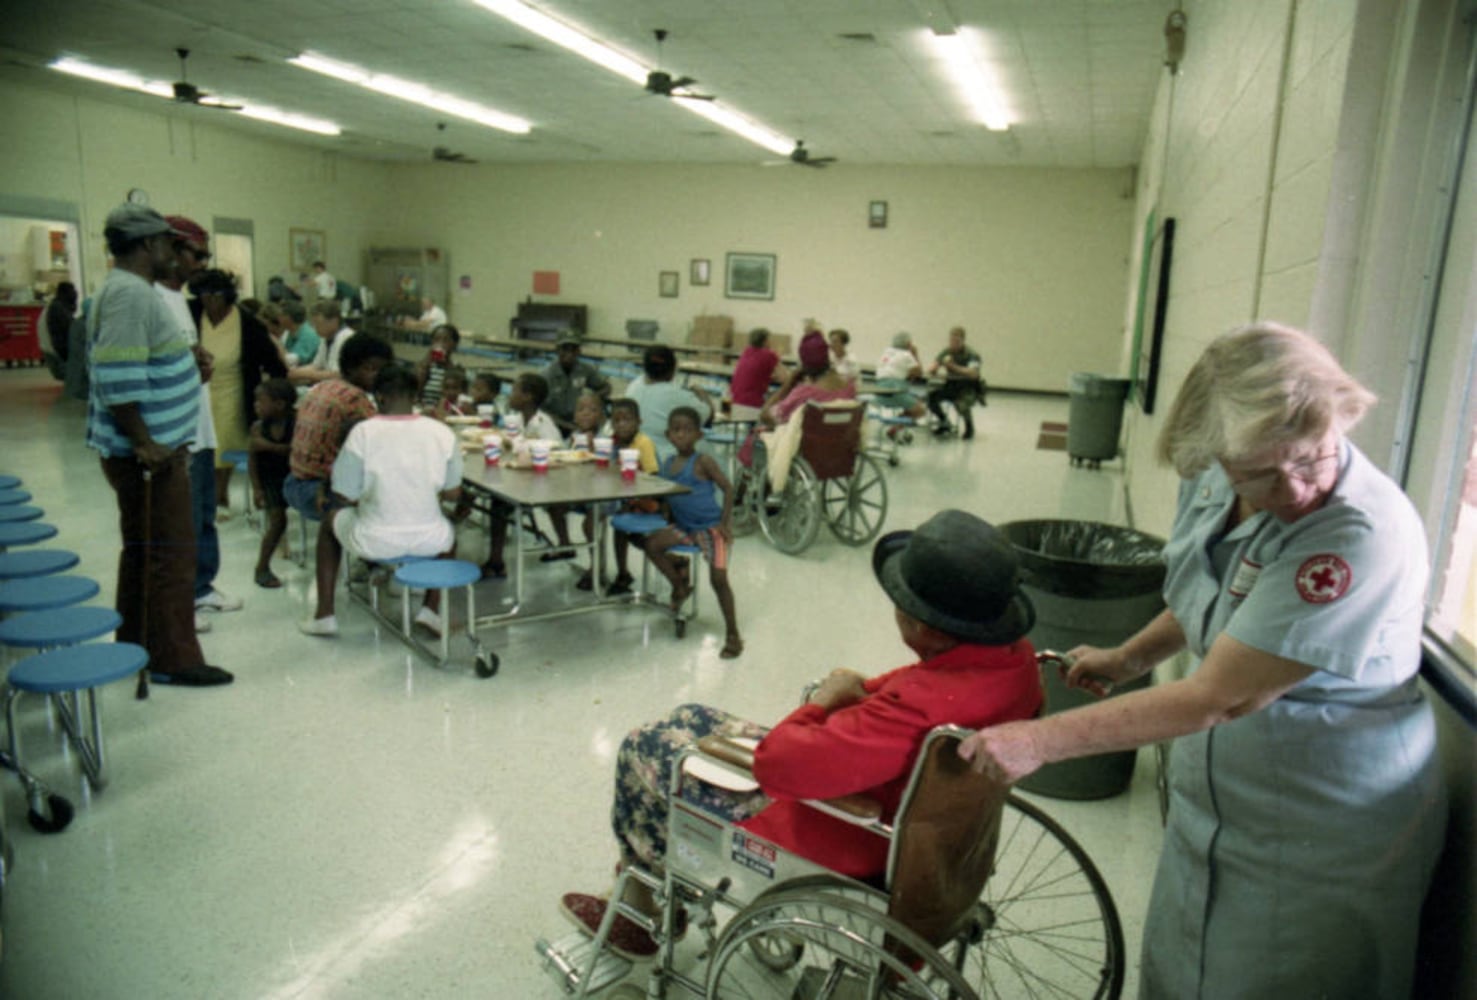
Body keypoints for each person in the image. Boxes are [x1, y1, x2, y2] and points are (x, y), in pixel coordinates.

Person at [957, 322, 1448, 1000]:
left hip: (1323, 814)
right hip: (1225, 796)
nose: (1296, 488)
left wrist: (1041, 740)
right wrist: (1128, 657)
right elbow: (1211, 598)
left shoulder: (1355, 535)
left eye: (1313, 457)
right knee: (1188, 970)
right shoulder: (1214, 476)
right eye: (1260, 473)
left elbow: (1222, 695)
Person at [560, 509, 1043, 957]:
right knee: (690, 717)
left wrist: (820, 703)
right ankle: (653, 887)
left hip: (843, 831)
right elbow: (888, 692)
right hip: (926, 828)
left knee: (644, 749)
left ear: (921, 626)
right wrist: (848, 696)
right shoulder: (1015, 665)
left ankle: (644, 902)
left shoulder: (921, 708)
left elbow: (778, 766)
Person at [86, 203, 231, 688]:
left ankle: (137, 647)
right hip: (149, 455)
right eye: (171, 243)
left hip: (154, 449)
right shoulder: (130, 294)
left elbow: (135, 355)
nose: (177, 253)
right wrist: (144, 442)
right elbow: (117, 375)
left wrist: (186, 359)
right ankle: (173, 658)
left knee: (146, 551)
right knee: (171, 555)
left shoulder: (132, 291)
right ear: (149, 245)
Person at [325, 363, 463, 635]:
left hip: (374, 540)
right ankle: (430, 609)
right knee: (448, 531)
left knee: (328, 521)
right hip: (430, 540)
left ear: (379, 397)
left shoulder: (362, 432)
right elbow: (452, 493)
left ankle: (324, 614)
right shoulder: (442, 432)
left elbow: (344, 494)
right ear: (415, 396)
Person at [157, 217, 242, 630]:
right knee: (181, 522)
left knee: (204, 513)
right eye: (198, 254)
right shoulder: (151, 298)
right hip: (177, 434)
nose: (202, 263)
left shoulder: (178, 300)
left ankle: (202, 587)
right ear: (170, 251)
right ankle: (180, 602)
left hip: (201, 426)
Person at [286, 333, 395, 636]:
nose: (377, 376)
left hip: (294, 482)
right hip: (317, 492)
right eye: (371, 369)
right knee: (397, 490)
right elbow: (386, 441)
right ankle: (388, 566)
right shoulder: (356, 400)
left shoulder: (324, 387)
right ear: (351, 368)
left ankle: (371, 562)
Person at [644, 407, 742, 658]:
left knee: (718, 581)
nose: (681, 436)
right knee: (652, 544)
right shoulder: (667, 463)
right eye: (676, 430)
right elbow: (668, 495)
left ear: (698, 435)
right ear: (668, 434)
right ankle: (679, 585)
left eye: (687, 431)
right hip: (685, 527)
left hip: (710, 527)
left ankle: (733, 634)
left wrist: (725, 522)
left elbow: (728, 488)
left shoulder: (702, 461)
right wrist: (665, 513)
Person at [189, 268, 287, 517]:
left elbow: (275, 365)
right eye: (203, 295)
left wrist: (272, 396)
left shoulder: (248, 323)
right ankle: (205, 495)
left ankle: (218, 496)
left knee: (223, 444)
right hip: (196, 391)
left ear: (227, 295)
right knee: (198, 444)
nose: (208, 301)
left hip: (233, 391)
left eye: (214, 295)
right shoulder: (192, 313)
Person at [477, 373, 562, 579]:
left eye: (515, 390)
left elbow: (554, 454)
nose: (510, 395)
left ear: (528, 397)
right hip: (523, 476)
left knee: (500, 500)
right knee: (497, 496)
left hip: (545, 480)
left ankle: (496, 560)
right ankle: (496, 560)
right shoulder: (517, 420)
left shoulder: (544, 424)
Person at [582, 397, 659, 593]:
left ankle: (622, 572)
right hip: (616, 493)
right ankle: (596, 564)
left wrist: (634, 500)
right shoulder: (610, 442)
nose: (622, 425)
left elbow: (652, 476)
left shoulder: (643, 443)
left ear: (639, 422)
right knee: (590, 520)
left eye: (627, 420)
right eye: (617, 421)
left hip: (639, 497)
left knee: (619, 526)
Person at [625, 345, 713, 462]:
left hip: (633, 453)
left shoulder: (634, 385)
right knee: (704, 447)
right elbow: (707, 415)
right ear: (673, 371)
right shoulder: (676, 394)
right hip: (664, 459)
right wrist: (701, 393)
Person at [248, 378, 296, 588]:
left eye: (261, 401)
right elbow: (253, 459)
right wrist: (256, 488)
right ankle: (262, 567)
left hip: (295, 477)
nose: (256, 406)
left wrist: (268, 446)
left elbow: (294, 450)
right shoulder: (258, 427)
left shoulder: (297, 423)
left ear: (279, 404)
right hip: (270, 480)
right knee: (277, 522)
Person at [760, 329, 855, 427]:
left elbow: (766, 417)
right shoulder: (850, 388)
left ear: (804, 366)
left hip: (808, 441)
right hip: (839, 440)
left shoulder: (803, 394)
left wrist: (787, 386)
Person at [541, 334, 611, 432]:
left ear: (579, 351)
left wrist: (594, 397)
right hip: (554, 424)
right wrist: (567, 426)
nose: (569, 353)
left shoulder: (585, 369)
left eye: (573, 349)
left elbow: (606, 387)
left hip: (579, 422)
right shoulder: (547, 375)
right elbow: (541, 410)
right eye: (565, 349)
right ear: (557, 350)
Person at [927, 326, 984, 439]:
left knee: (961, 404)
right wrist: (935, 368)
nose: (953, 343)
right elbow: (933, 366)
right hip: (951, 386)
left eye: (956, 341)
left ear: (962, 341)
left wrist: (954, 367)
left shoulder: (971, 354)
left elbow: (973, 373)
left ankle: (969, 427)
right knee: (931, 398)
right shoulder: (946, 352)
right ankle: (944, 422)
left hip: (968, 388)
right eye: (951, 340)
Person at [290, 301, 355, 386]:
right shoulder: (326, 338)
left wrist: (302, 374)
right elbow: (316, 366)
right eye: (314, 324)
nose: (315, 328)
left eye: (318, 324)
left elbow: (337, 375)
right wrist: (293, 371)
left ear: (334, 321)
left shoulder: (346, 337)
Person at [728, 328, 781, 421]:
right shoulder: (768, 354)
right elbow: (785, 378)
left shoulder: (746, 351)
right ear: (765, 341)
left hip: (735, 401)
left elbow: (754, 372)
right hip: (753, 404)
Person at [874, 331, 928, 421]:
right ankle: (897, 426)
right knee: (920, 410)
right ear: (909, 344)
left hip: (879, 393)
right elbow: (919, 373)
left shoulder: (886, 352)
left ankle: (897, 425)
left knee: (911, 403)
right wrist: (915, 354)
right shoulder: (906, 355)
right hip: (894, 391)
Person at [416, 324, 460, 407]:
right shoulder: (423, 365)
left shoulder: (457, 369)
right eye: (436, 339)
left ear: (454, 344)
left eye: (445, 340)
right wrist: (427, 363)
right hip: (424, 410)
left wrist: (447, 364)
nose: (440, 343)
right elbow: (416, 390)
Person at [45, 280, 78, 361]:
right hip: (63, 347)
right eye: (72, 290)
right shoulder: (58, 307)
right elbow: (70, 327)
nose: (75, 293)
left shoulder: (60, 305)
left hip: (62, 344)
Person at [279, 300, 319, 366]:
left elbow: (291, 361)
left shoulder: (308, 335)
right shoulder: (289, 333)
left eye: (281, 315)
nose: (278, 318)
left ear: (289, 317)